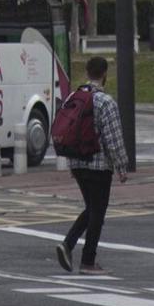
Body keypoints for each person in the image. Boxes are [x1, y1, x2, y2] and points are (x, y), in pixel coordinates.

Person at [55, 56, 129, 275]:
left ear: (87, 72)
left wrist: (71, 163)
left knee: (92, 209)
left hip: (77, 162)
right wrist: (121, 167)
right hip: (98, 164)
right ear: (105, 74)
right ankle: (87, 261)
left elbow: (68, 130)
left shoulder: (73, 97)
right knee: (98, 212)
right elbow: (113, 138)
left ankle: (67, 245)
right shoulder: (105, 102)